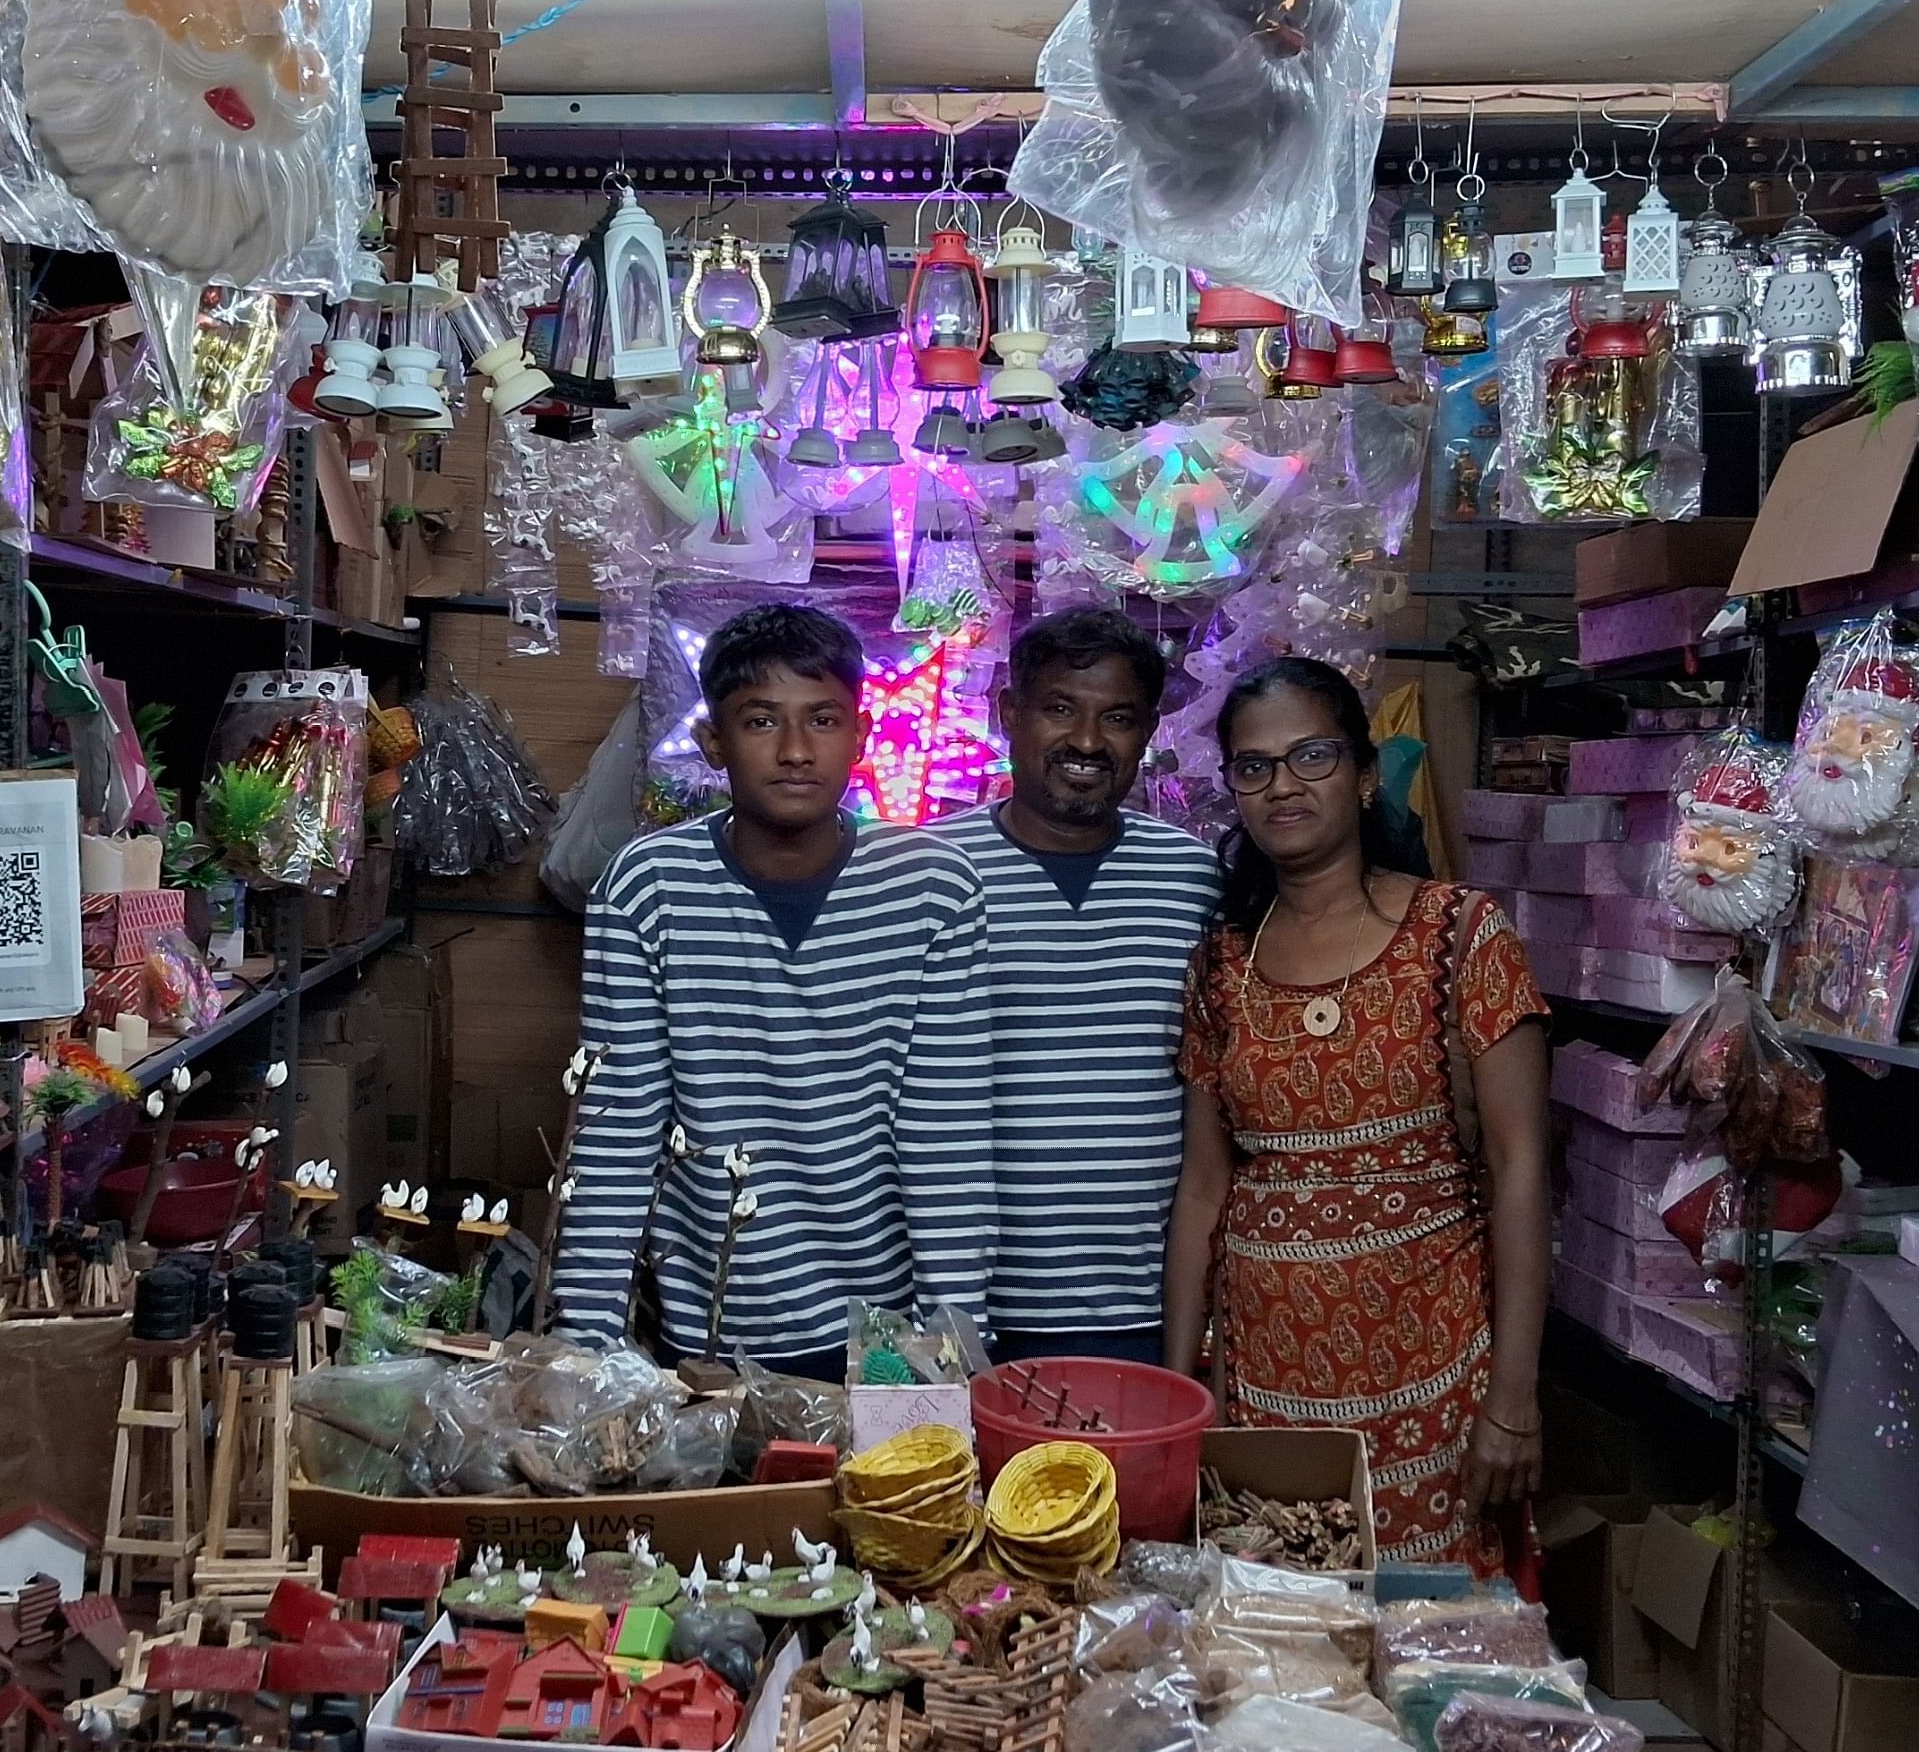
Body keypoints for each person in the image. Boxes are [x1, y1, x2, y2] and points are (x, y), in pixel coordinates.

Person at [1163, 656, 1553, 1573]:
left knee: (1435, 1647)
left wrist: (1515, 1396)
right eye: (1254, 767)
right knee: (1281, 1649)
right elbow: (1203, 1189)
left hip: (1435, 1366)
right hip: (1265, 1379)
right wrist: (1181, 1391)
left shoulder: (1459, 934)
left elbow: (1524, 1166)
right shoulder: (1221, 967)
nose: (1283, 785)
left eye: (1312, 756)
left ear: (1367, 773)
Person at [553, 602, 993, 1381]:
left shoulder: (933, 887)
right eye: (761, 722)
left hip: (889, 1337)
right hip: (713, 1336)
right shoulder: (649, 887)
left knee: (886, 1497)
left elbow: (944, 1137)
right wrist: (581, 1351)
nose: (796, 751)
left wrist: (949, 1344)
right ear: (712, 741)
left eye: (823, 719)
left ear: (860, 736)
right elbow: (620, 1129)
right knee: (739, 1500)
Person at [940, 607, 1220, 1367]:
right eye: (1060, 708)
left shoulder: (1193, 879)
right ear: (1008, 714)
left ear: (1149, 731)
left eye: (1118, 718)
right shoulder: (924, 874)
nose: (1088, 742)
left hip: (1145, 1308)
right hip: (966, 1310)